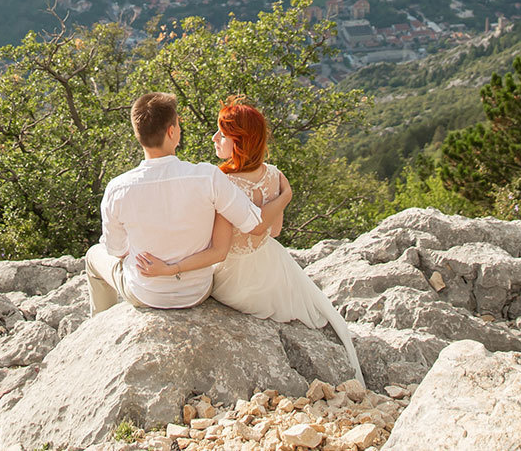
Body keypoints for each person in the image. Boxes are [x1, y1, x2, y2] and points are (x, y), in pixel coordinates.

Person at [131, 97, 362, 382]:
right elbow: (273, 231)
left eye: (222, 134)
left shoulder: (222, 182)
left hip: (234, 280)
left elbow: (220, 249)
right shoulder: (275, 176)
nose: (214, 138)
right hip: (271, 267)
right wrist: (285, 197)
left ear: (238, 142)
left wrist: (172, 268)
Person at [86, 92, 290, 312]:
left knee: (93, 256)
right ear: (172, 132)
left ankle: (98, 320)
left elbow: (116, 249)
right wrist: (285, 195)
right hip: (197, 291)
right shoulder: (208, 177)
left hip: (146, 292)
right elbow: (255, 223)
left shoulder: (117, 188)